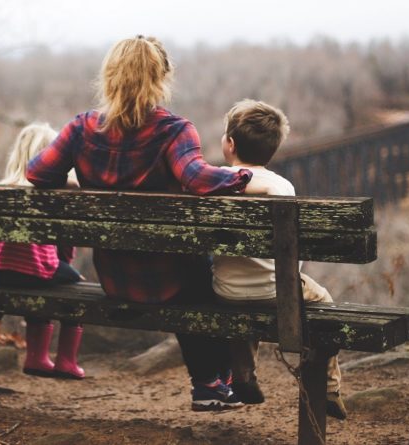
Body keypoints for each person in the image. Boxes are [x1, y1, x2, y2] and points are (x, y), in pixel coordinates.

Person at [26, 36, 253, 411]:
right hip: (172, 281)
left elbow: (36, 173)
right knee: (206, 273)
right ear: (162, 78)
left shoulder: (81, 128)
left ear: (110, 77)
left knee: (195, 270)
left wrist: (71, 181)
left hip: (115, 279)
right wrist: (242, 176)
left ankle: (215, 383)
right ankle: (212, 382)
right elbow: (196, 178)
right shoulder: (174, 130)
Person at [213, 99, 348, 419]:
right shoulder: (282, 187)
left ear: (230, 144)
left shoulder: (214, 181)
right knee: (324, 300)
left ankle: (243, 375)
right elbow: (292, 253)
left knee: (242, 298)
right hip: (278, 291)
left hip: (225, 291)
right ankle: (329, 386)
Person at [0, 122, 86, 380]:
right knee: (77, 287)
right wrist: (66, 265)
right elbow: (64, 244)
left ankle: (37, 357)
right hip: (36, 271)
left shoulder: (2, 190)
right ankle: (66, 361)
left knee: (45, 280)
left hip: (0, 273)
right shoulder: (50, 193)